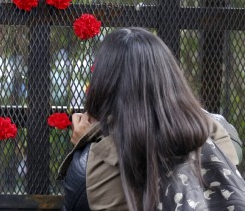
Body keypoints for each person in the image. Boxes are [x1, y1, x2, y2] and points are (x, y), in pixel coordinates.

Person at [58, 27, 242, 210]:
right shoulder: (217, 133)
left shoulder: (93, 168)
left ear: (104, 85)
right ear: (171, 77)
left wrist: (88, 143)